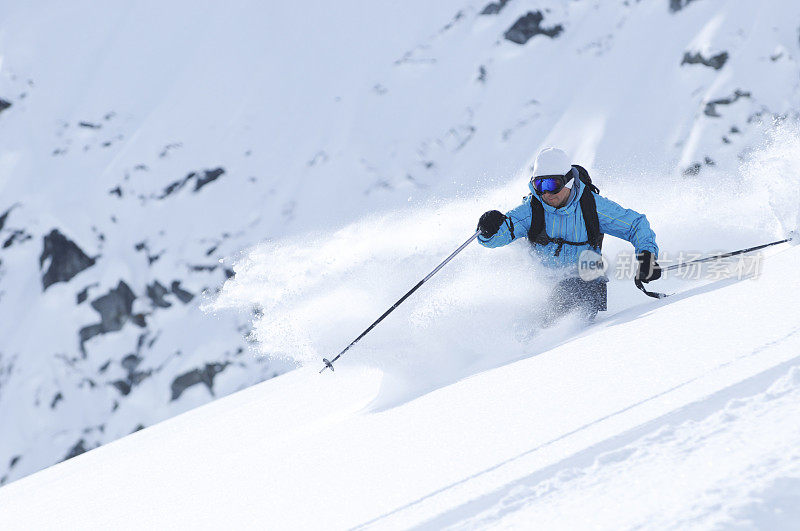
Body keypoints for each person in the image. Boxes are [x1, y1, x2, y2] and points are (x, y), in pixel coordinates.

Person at [477, 147, 661, 324]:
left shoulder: (591, 206)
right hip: (547, 291)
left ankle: (556, 332)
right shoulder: (532, 210)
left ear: (568, 181)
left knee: (570, 292)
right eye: (539, 185)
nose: (546, 193)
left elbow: (635, 224)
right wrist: (488, 230)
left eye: (552, 184)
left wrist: (647, 256)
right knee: (532, 320)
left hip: (588, 284)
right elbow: (497, 237)